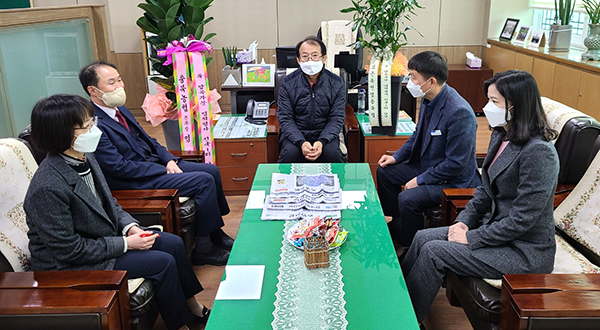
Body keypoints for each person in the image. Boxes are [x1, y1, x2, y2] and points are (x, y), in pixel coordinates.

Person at [24, 94, 211, 330]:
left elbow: (109, 202)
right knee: (161, 262)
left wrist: (130, 226)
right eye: (86, 126)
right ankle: (180, 325)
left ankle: (191, 306)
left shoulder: (85, 157)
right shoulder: (47, 187)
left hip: (102, 239)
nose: (94, 129)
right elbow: (68, 251)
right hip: (69, 264)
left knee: (172, 244)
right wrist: (126, 244)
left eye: (93, 122)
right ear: (63, 135)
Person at [401, 70, 559, 324]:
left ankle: (406, 321)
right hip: (497, 232)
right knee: (422, 237)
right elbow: (484, 190)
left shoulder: (539, 153)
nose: (487, 107)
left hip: (523, 251)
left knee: (434, 252)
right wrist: (463, 222)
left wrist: (471, 236)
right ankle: (399, 298)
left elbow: (522, 220)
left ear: (518, 105)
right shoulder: (502, 133)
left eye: (494, 102)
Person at [78, 60, 232, 266]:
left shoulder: (120, 109)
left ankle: (215, 232)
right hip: (136, 180)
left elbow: (148, 140)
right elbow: (118, 167)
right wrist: (161, 168)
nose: (120, 86)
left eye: (120, 80)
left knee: (211, 170)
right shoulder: (93, 123)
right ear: (93, 90)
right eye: (112, 83)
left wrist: (168, 159)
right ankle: (204, 249)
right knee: (203, 181)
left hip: (154, 166)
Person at [376, 51, 481, 249]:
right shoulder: (427, 99)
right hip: (430, 166)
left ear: (431, 82)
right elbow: (417, 136)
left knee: (407, 197)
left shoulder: (460, 112)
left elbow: (456, 164)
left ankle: (409, 246)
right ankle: (395, 225)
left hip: (454, 179)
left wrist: (419, 180)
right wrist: (397, 157)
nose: (410, 81)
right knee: (385, 171)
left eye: (413, 76)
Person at [277, 36, 346, 163]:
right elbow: (285, 117)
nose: (310, 60)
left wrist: (321, 141)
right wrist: (301, 142)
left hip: (325, 135)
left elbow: (337, 118)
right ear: (298, 60)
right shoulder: (287, 83)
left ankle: (339, 183)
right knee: (290, 153)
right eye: (305, 56)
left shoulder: (337, 83)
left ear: (323, 58)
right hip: (296, 134)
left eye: (315, 55)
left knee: (333, 154)